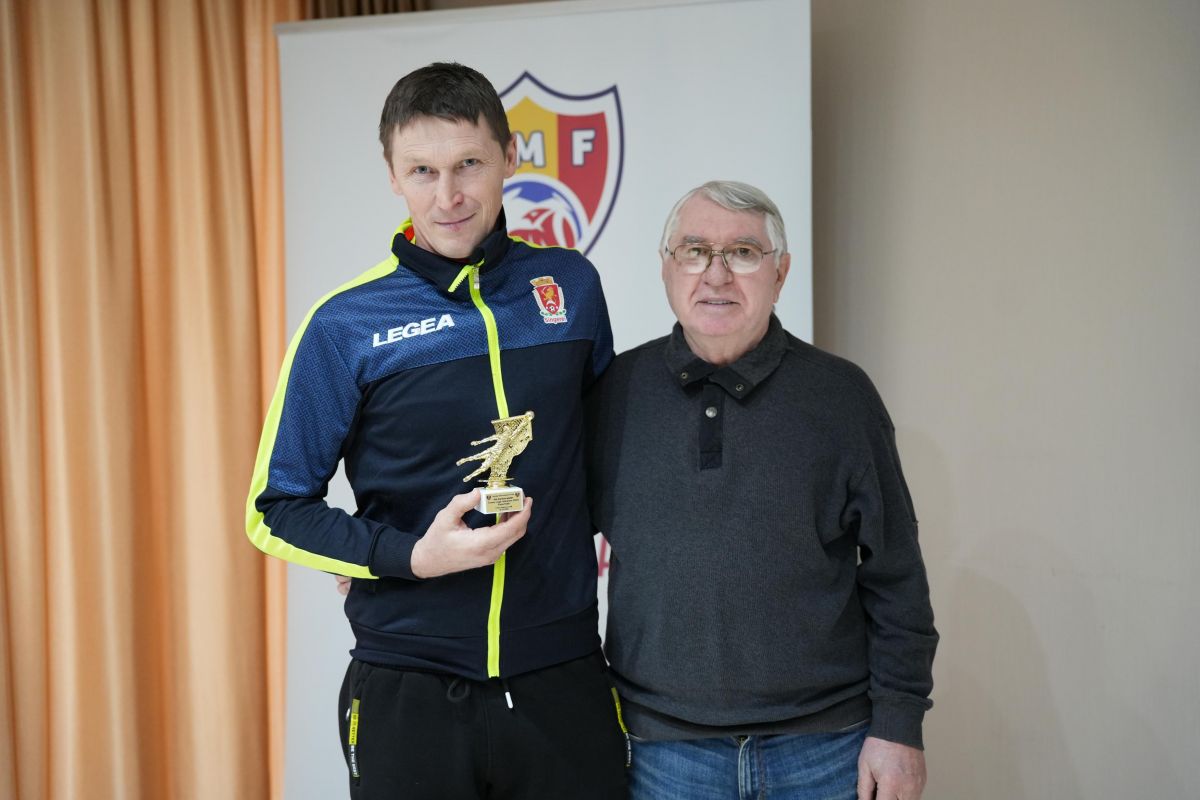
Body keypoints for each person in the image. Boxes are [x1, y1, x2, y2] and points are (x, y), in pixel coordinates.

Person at [246, 62, 628, 799]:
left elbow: (605, 458)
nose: (447, 196)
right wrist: (406, 556)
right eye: (422, 170)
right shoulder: (344, 324)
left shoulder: (570, 286)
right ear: (393, 175)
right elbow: (274, 508)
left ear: (509, 157)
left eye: (469, 165)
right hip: (409, 687)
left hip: (562, 678)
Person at [587, 181, 938, 800]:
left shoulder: (842, 396)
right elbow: (552, 550)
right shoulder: (615, 390)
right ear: (667, 267)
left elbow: (897, 574)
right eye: (695, 250)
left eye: (744, 253)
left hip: (826, 748)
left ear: (781, 273)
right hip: (661, 753)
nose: (716, 274)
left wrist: (899, 726)